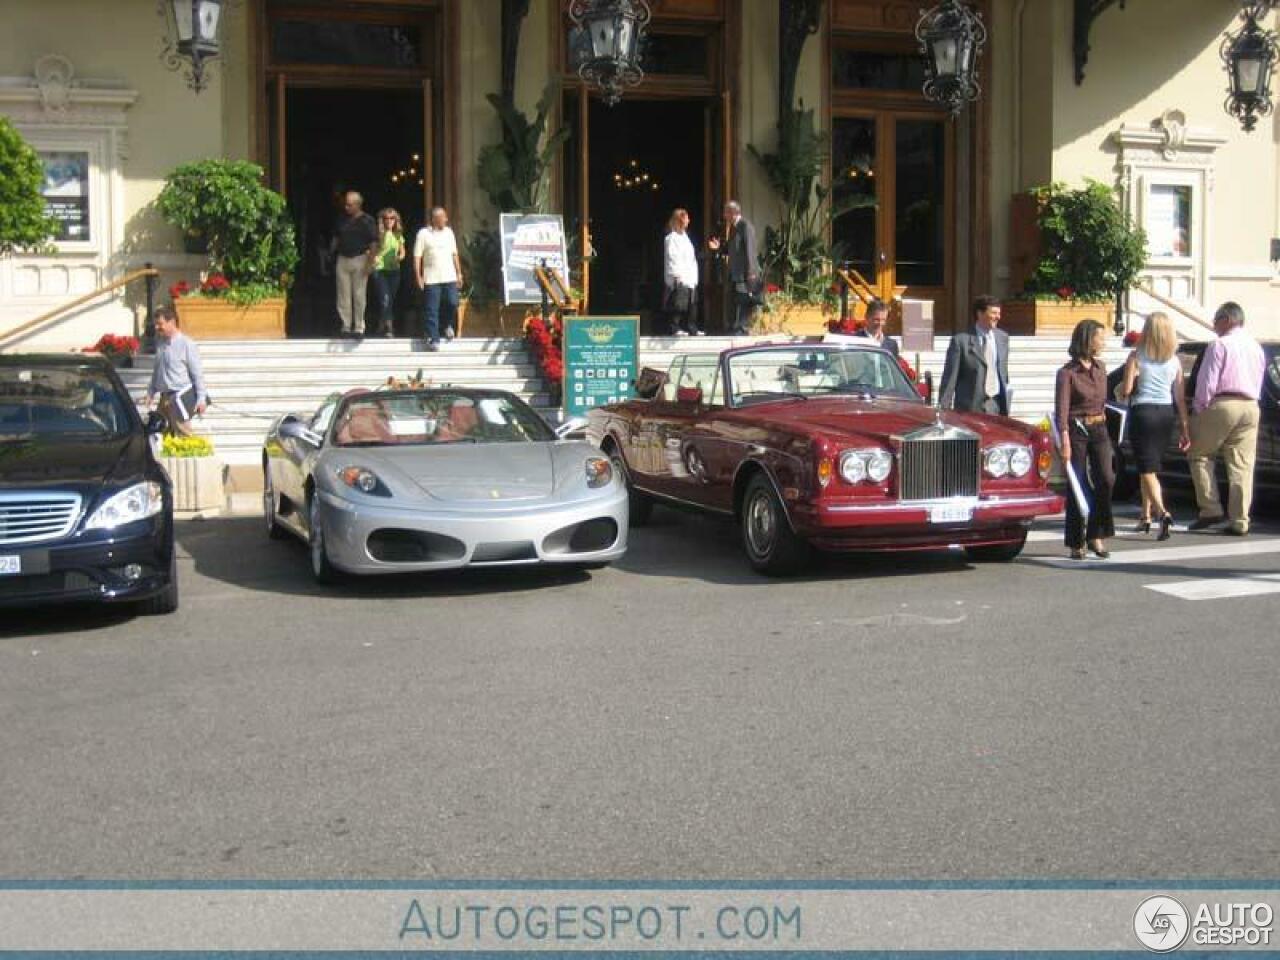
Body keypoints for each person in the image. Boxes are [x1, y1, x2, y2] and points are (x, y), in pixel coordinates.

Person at [1187, 301, 1267, 536]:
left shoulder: (1219, 344)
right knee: (1242, 465)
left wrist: (1199, 407)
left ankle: (1210, 508)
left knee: (1199, 454)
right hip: (1251, 404)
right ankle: (1240, 519)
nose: (1214, 325)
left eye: (1216, 320)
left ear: (1228, 320)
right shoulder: (1255, 346)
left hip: (1223, 402)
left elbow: (1207, 380)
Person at [1117, 312, 1189, 540]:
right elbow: (1179, 397)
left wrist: (1121, 388)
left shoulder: (1137, 356)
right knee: (1150, 466)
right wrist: (1185, 427)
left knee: (1145, 467)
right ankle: (1144, 515)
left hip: (1143, 412)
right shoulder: (1175, 360)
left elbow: (1127, 390)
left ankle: (1162, 512)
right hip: (1166, 413)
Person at [1056, 318, 1115, 560]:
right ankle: (1076, 541)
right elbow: (1062, 409)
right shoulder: (1067, 373)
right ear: (1087, 339)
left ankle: (1096, 534)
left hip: (1099, 427)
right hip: (1077, 428)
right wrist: (1065, 440)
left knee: (1107, 479)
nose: (1103, 342)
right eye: (1099, 337)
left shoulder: (1101, 368)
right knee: (1078, 483)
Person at [939, 295, 1010, 415]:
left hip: (996, 406)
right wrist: (943, 410)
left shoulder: (1003, 338)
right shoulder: (961, 341)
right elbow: (950, 379)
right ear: (980, 314)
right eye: (993, 313)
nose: (998, 317)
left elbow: (1002, 372)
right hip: (970, 409)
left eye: (999, 313)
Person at [145, 305, 207, 437]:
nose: (157, 327)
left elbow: (197, 374)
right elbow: (157, 371)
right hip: (164, 399)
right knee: (159, 435)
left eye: (160, 324)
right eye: (156, 324)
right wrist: (150, 392)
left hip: (179, 398)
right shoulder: (160, 343)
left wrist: (201, 398)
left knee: (183, 434)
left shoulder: (187, 344)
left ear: (171, 322)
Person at [414, 206, 462, 352]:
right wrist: (418, 276)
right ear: (434, 219)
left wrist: (459, 273)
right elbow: (417, 257)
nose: (445, 220)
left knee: (452, 302)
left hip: (449, 276)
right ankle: (433, 338)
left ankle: (447, 324)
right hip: (431, 277)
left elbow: (454, 254)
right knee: (432, 309)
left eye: (445, 217)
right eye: (442, 217)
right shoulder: (423, 234)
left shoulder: (449, 233)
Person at [331, 191, 379, 339]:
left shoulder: (367, 220)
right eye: (345, 204)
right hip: (342, 259)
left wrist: (370, 263)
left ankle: (359, 327)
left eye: (349, 205)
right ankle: (345, 326)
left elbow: (373, 243)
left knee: (359, 295)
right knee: (343, 295)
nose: (346, 207)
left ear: (358, 205)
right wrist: (330, 253)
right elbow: (336, 237)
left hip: (360, 258)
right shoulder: (341, 219)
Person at [707, 200, 758, 334]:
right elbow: (731, 249)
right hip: (734, 273)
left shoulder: (745, 226)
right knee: (734, 300)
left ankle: (742, 328)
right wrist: (718, 248)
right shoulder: (733, 228)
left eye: (725, 212)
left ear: (733, 213)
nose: (724, 216)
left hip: (743, 273)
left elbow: (750, 250)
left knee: (744, 300)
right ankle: (735, 327)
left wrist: (751, 271)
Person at [662, 208, 702, 336]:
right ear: (680, 220)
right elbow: (672, 256)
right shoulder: (671, 238)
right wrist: (676, 274)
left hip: (690, 274)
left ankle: (692, 328)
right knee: (679, 303)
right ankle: (675, 327)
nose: (689, 221)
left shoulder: (686, 237)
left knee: (692, 302)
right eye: (686, 218)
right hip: (679, 275)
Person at [370, 207, 405, 338]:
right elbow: (373, 249)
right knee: (385, 299)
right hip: (380, 270)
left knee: (389, 300)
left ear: (396, 220)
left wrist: (399, 257)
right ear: (382, 220)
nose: (389, 221)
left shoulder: (398, 235)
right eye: (386, 218)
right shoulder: (378, 234)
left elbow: (403, 251)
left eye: (392, 218)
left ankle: (381, 323)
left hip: (394, 270)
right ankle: (390, 328)